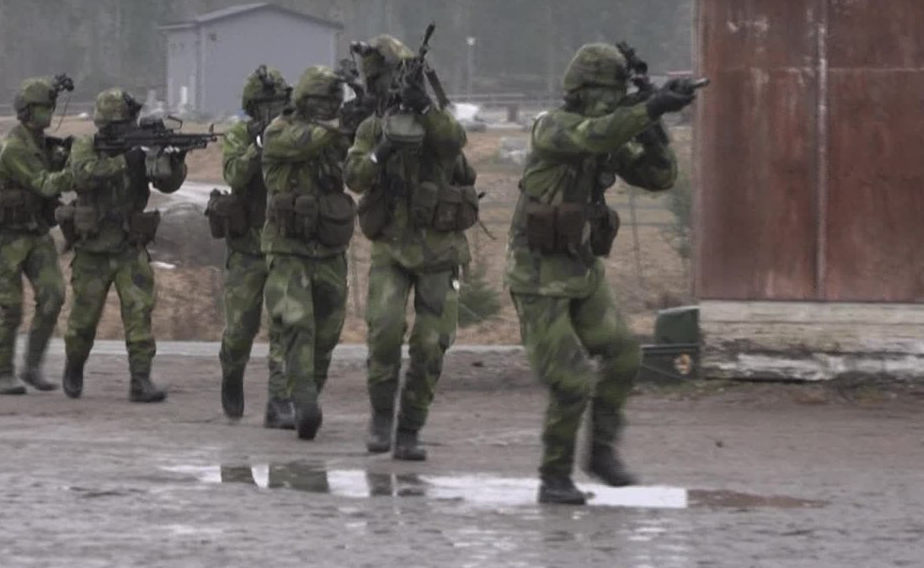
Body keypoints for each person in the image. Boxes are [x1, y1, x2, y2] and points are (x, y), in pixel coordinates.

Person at [503, 43, 702, 504]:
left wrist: (653, 123)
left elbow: (659, 178)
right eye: (608, 93)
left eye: (619, 94)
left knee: (624, 355)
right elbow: (593, 135)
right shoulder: (554, 126)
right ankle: (554, 477)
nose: (614, 101)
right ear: (584, 91)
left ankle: (601, 453)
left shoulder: (611, 131)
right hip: (537, 276)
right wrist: (646, 106)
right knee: (570, 380)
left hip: (581, 269)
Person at [344, 35, 476, 461]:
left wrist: (424, 108)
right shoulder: (371, 127)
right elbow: (355, 176)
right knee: (383, 331)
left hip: (439, 250)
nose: (387, 91)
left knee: (430, 344)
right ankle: (382, 418)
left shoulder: (436, 121)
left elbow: (454, 142)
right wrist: (383, 149)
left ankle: (410, 428)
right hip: (392, 248)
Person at [59, 88, 189, 402]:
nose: (130, 126)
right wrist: (124, 158)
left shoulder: (138, 148)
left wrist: (173, 159)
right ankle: (74, 368)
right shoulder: (86, 146)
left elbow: (166, 184)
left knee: (139, 313)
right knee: (83, 321)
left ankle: (140, 380)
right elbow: (83, 175)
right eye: (123, 122)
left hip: (130, 247)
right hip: (93, 250)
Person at [260, 65, 356, 440]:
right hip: (287, 245)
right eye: (320, 101)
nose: (327, 107)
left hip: (329, 246)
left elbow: (356, 166)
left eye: (332, 101)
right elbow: (307, 141)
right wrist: (341, 124)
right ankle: (298, 402)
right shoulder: (279, 131)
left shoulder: (333, 136)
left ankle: (305, 395)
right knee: (296, 321)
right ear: (302, 100)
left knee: (328, 329)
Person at [0, 77, 73, 395]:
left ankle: (32, 366)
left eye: (50, 107)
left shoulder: (40, 144)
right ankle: (3, 373)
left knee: (53, 296)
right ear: (27, 112)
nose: (49, 113)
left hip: (35, 232)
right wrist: (75, 171)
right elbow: (45, 184)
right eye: (43, 108)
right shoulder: (14, 148)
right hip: (7, 237)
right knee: (10, 307)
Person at [214, 66, 294, 426]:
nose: (272, 111)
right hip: (247, 249)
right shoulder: (238, 136)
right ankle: (232, 375)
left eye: (278, 104)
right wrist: (259, 144)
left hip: (283, 246)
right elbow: (233, 175)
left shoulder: (293, 135)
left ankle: (279, 400)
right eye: (265, 105)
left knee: (285, 324)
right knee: (240, 331)